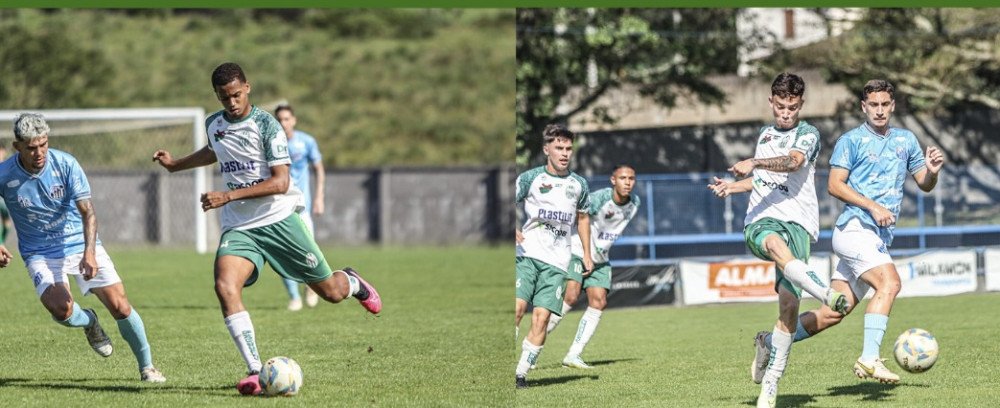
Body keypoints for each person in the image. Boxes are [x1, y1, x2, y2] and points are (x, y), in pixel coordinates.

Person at [152, 62, 381, 395]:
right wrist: (176, 165)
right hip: (240, 226)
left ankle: (352, 281)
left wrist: (227, 195)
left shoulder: (267, 125)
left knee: (331, 293)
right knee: (225, 286)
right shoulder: (213, 124)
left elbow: (280, 182)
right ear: (216, 95)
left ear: (247, 87)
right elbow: (215, 149)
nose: (231, 102)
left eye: (235, 95)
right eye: (223, 97)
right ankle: (256, 371)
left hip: (279, 220)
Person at [749, 79, 945, 385]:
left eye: (885, 105)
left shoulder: (906, 140)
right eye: (873, 105)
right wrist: (873, 207)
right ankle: (868, 359)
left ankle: (769, 341)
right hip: (855, 228)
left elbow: (924, 183)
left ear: (892, 106)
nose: (879, 111)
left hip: (876, 236)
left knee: (831, 314)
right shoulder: (850, 141)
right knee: (890, 283)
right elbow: (834, 185)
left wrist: (932, 172)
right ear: (863, 107)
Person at [708, 72, 848, 408]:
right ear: (771, 101)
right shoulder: (765, 134)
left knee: (788, 309)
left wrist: (753, 163)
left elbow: (791, 163)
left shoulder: (808, 135)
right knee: (772, 243)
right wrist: (736, 186)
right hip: (762, 221)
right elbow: (763, 181)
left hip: (798, 224)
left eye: (793, 107)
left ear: (801, 105)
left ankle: (769, 381)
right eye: (781, 106)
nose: (786, 112)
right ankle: (824, 292)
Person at [0, 113, 166, 383]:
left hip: (79, 242)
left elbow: (88, 212)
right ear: (17, 146)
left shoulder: (66, 164)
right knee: (61, 310)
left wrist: (89, 252)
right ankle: (89, 321)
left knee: (120, 306)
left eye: (43, 144)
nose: (39, 152)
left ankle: (147, 367)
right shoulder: (4, 174)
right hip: (39, 252)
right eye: (31, 147)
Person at [514, 124, 592, 389]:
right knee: (516, 309)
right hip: (527, 254)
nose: (564, 153)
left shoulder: (579, 184)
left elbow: (582, 219)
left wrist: (587, 254)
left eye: (568, 148)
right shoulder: (530, 178)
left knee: (542, 318)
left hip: (558, 262)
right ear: (546, 149)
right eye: (559, 148)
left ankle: (520, 374)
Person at [544, 164, 640, 369]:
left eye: (631, 178)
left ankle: (573, 355)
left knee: (599, 301)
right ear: (613, 180)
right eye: (623, 178)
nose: (628, 183)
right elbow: (580, 218)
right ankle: (535, 343)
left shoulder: (635, 203)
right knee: (571, 295)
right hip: (578, 251)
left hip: (601, 258)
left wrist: (597, 253)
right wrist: (585, 252)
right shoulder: (599, 199)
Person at [274, 104, 325, 311]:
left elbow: (319, 169)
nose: (283, 123)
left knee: (308, 250)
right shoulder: (269, 143)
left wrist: (320, 196)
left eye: (286, 119)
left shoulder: (306, 142)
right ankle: (294, 297)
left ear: (293, 120)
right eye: (279, 119)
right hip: (278, 206)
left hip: (301, 206)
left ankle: (311, 287)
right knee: (281, 253)